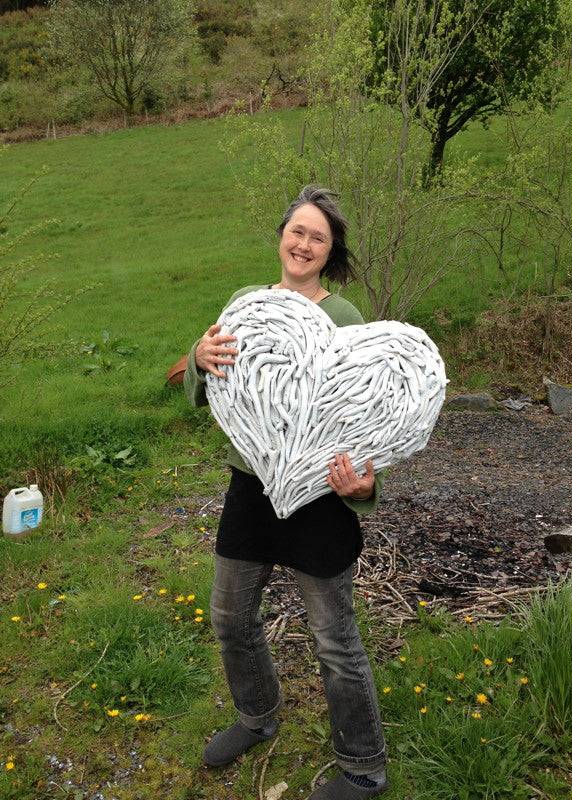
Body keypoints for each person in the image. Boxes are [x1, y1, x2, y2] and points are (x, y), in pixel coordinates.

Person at [184, 185, 388, 799]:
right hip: (250, 486)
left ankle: (364, 763)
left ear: (330, 252)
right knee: (228, 615)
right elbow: (215, 384)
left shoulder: (345, 319)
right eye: (296, 231)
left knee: (334, 638)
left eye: (317, 237)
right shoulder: (246, 305)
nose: (303, 244)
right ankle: (257, 715)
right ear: (281, 236)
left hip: (317, 501)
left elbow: (367, 417)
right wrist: (196, 357)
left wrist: (366, 485)